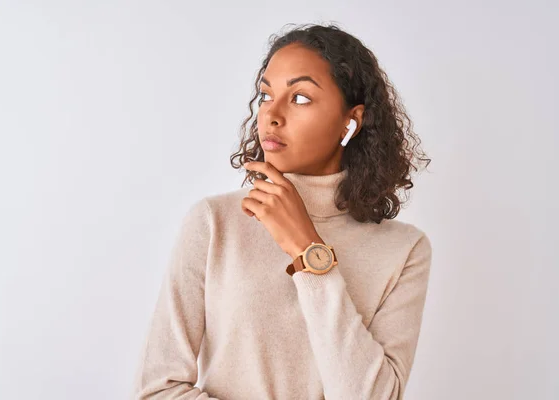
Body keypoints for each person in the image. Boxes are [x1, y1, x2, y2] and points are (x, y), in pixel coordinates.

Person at [133, 22, 433, 400]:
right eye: (265, 96)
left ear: (350, 122)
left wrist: (308, 250)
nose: (271, 115)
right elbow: (156, 390)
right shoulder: (214, 223)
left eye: (300, 98)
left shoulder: (404, 251)